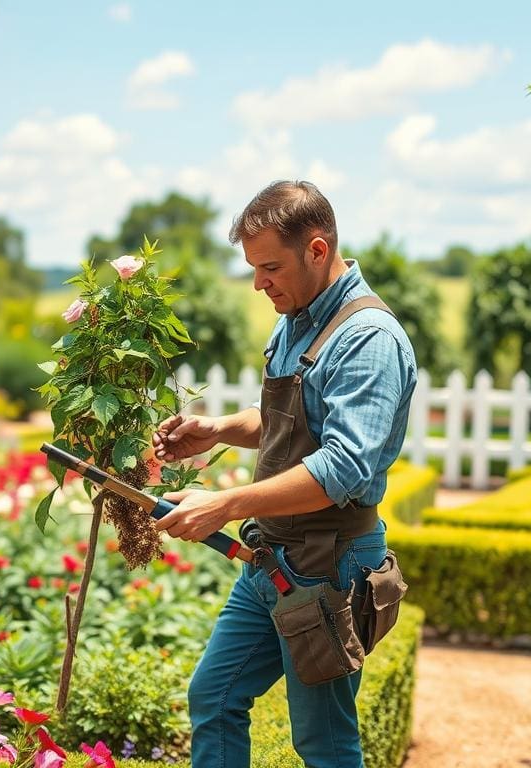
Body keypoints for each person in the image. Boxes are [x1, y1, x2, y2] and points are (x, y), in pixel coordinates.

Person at [151, 180, 417, 768]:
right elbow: (287, 422)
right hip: (273, 558)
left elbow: (342, 465)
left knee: (322, 742)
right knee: (214, 696)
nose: (257, 283)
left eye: (270, 267)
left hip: (330, 562)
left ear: (318, 251)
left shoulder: (366, 338)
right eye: (252, 267)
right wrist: (218, 428)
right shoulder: (296, 316)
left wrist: (225, 504)